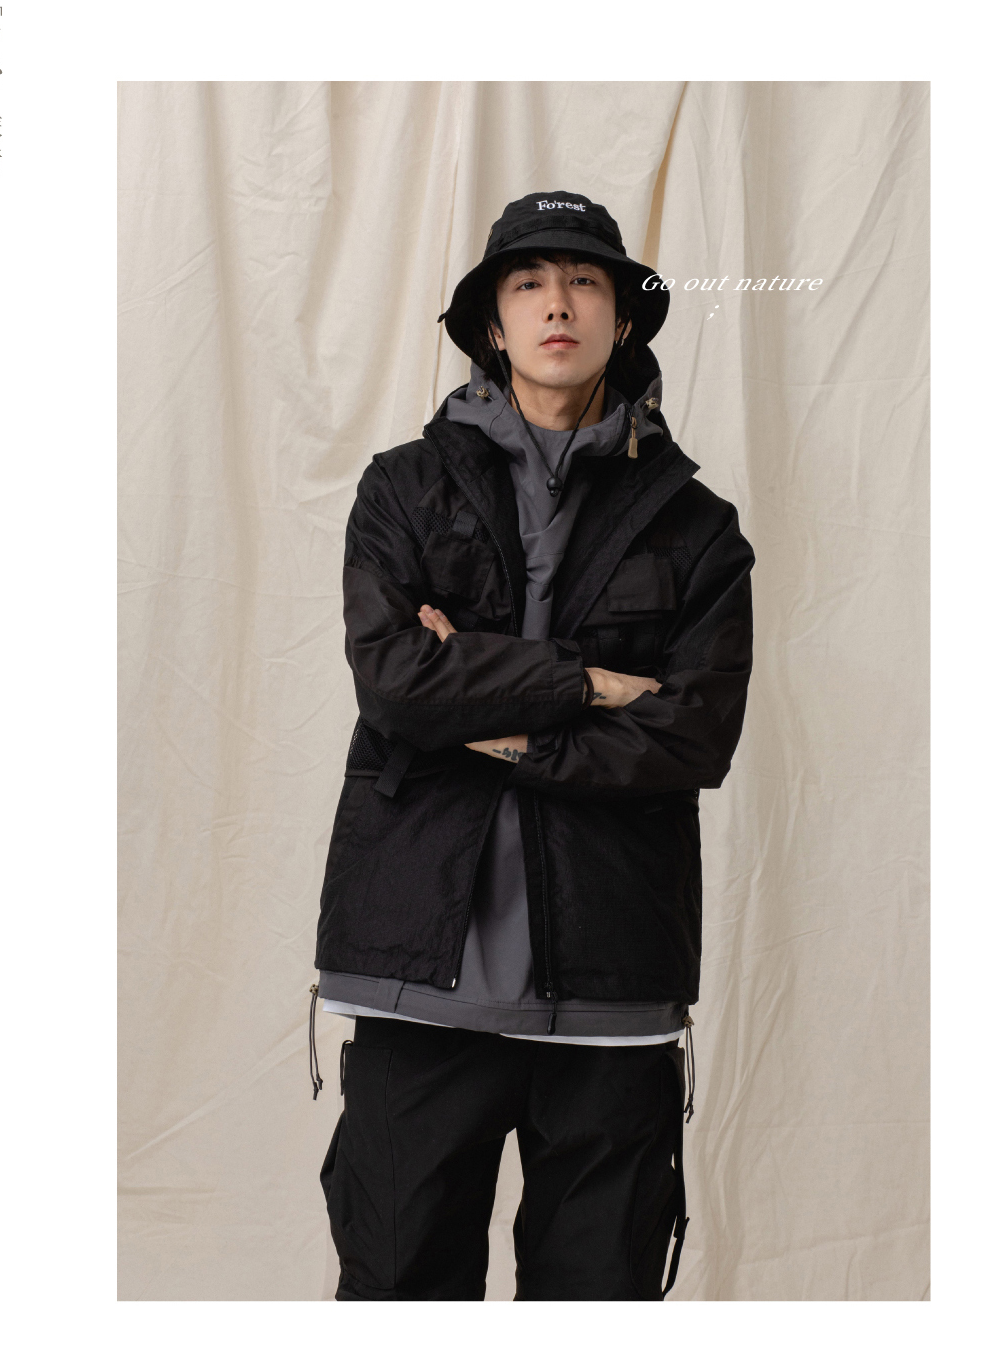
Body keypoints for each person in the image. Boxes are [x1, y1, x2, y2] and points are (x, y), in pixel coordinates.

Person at [310, 190, 755, 1301]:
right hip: (415, 970)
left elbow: (693, 735)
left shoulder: (699, 528)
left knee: (597, 1296)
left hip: (613, 980)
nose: (558, 303)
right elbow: (396, 683)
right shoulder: (402, 489)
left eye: (585, 282)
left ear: (622, 320)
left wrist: (497, 726)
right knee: (400, 1287)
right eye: (528, 283)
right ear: (491, 326)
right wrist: (586, 686)